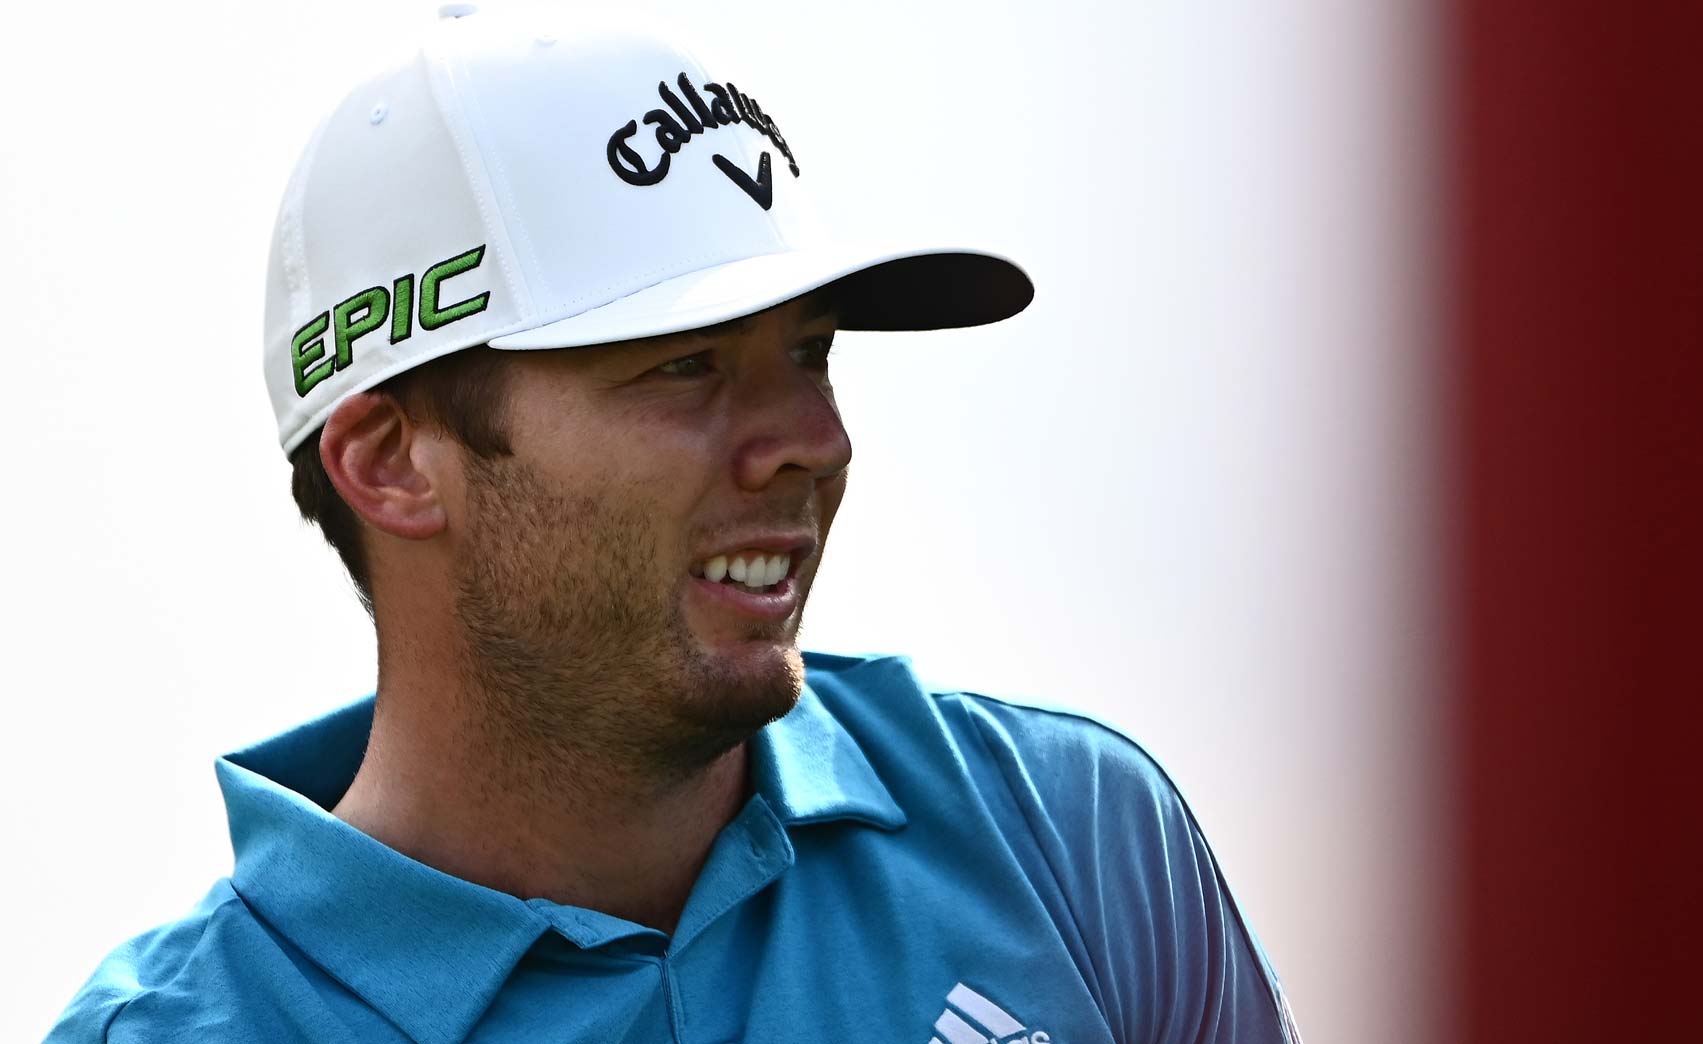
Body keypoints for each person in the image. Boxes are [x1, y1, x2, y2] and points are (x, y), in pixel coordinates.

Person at [47, 7, 1298, 1043]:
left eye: (809, 351)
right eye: (684, 366)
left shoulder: (1066, 832)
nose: (812, 439)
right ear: (391, 464)